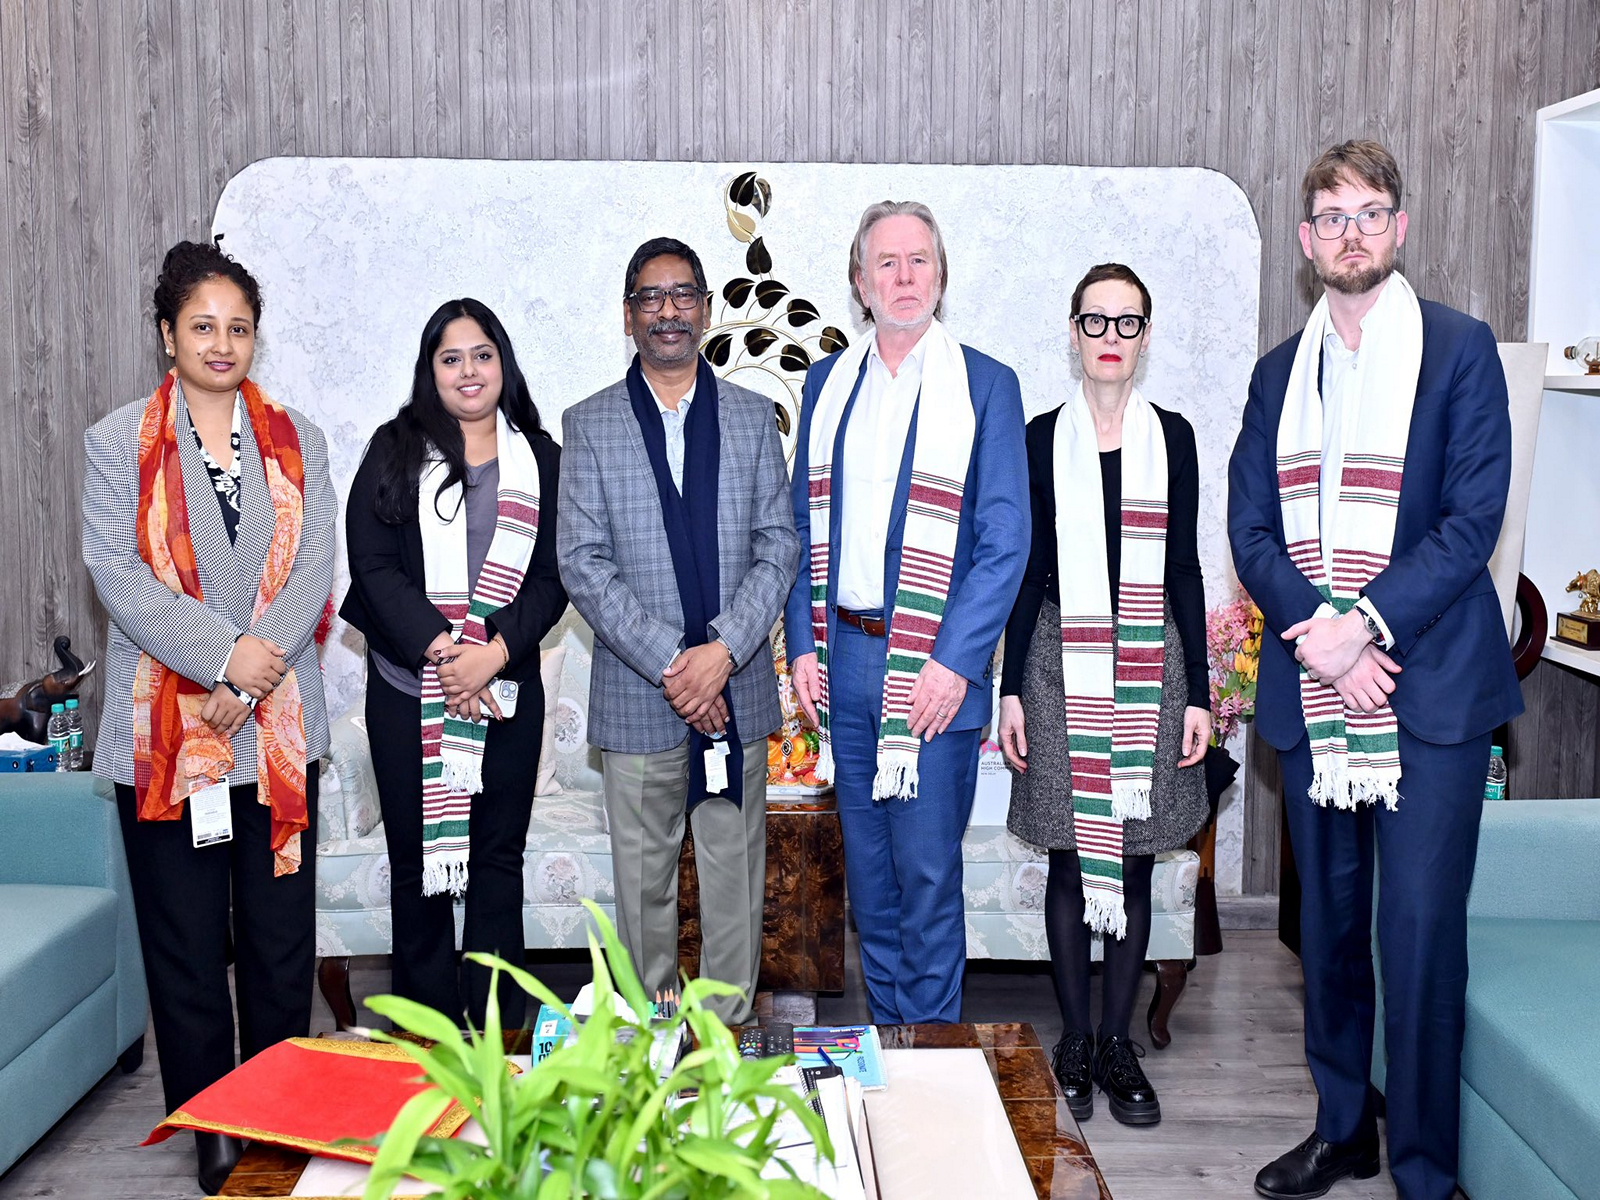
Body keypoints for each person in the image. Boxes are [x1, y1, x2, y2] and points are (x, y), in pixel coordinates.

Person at [1229, 141, 1522, 1200]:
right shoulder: (1276, 376)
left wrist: (1365, 626)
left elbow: (1470, 519)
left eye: (1370, 213)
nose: (1350, 233)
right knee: (1330, 936)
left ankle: (1428, 1170)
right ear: (1307, 243)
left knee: (1420, 939)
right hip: (1317, 691)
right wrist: (1324, 632)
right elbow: (1251, 529)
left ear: (1398, 228)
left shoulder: (1458, 350)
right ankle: (1343, 1126)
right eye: (1330, 217)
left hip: (1428, 694)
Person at [82, 240, 335, 1194]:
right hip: (164, 740)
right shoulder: (117, 441)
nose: (222, 343)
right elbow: (120, 577)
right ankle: (214, 1130)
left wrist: (256, 676)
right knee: (185, 951)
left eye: (237, 328)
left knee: (278, 946)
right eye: (203, 327)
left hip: (271, 735)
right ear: (167, 336)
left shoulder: (299, 438)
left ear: (254, 340)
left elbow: (315, 564)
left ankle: (278, 1121)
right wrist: (225, 659)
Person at [783, 201, 1029, 1025]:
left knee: (927, 880)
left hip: (934, 667)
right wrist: (800, 646)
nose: (903, 276)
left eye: (918, 259)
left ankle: (936, 1059)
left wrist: (956, 662)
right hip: (843, 661)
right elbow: (797, 525)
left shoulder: (986, 386)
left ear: (941, 274)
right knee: (872, 886)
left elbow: (1005, 543)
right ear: (859, 282)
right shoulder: (828, 382)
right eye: (884, 262)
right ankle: (892, 1044)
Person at [557, 237, 798, 1026]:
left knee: (735, 887)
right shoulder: (588, 424)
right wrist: (675, 663)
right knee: (644, 895)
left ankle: (724, 1047)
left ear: (705, 309)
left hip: (737, 692)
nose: (668, 310)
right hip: (639, 697)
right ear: (628, 316)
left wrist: (722, 652)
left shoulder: (751, 418)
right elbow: (583, 563)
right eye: (650, 297)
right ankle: (655, 1042)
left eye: (683, 294)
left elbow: (779, 543)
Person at [997, 263, 1212, 1126]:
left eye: (1128, 323)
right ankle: (1075, 1039)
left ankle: (1118, 1043)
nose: (1112, 338)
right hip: (1057, 659)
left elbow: (1187, 569)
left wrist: (1196, 691)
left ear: (1147, 334)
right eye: (1097, 322)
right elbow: (1017, 567)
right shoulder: (1038, 436)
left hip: (1150, 661)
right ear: (1075, 332)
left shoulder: (1177, 438)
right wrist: (1010, 687)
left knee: (1129, 853)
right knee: (1064, 852)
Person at [342, 298, 566, 1031]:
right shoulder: (395, 447)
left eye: (482, 354)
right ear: (430, 370)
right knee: (418, 872)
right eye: (451, 357)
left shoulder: (543, 459)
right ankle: (429, 1036)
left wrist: (494, 653)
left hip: (508, 685)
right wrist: (446, 654)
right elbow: (373, 565)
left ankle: (497, 1035)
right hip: (409, 689)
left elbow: (557, 576)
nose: (469, 371)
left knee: (499, 862)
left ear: (502, 362)